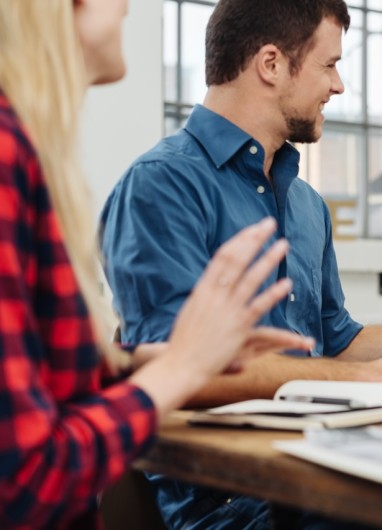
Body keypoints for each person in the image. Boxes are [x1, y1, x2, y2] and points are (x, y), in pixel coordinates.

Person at [99, 0, 382, 528]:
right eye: (329, 65)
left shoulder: (306, 205)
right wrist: (368, 380)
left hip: (324, 463)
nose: (339, 85)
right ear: (272, 64)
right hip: (232, 499)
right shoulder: (162, 186)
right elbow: (172, 368)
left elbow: (337, 344)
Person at [0, 1, 315, 529]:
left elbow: (40, 377)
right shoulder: (11, 155)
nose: (126, 6)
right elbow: (25, 478)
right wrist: (183, 367)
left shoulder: (27, 152)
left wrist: (157, 357)